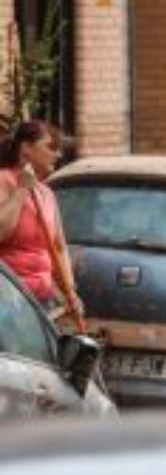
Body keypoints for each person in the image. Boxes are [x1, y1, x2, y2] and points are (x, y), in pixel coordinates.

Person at [0, 120, 80, 324]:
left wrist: (70, 293)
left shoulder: (47, 194)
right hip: (8, 300)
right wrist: (21, 191)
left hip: (41, 301)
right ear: (26, 148)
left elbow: (59, 248)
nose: (59, 155)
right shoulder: (3, 181)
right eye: (51, 147)